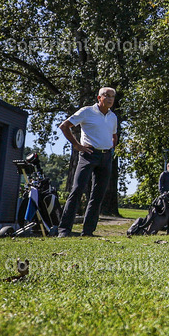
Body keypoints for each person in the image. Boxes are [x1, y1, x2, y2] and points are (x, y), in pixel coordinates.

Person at [57, 87, 119, 238]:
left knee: (97, 196)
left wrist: (111, 147)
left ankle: (88, 232)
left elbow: (114, 135)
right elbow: (64, 126)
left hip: (105, 158)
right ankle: (64, 230)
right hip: (88, 155)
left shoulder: (113, 117)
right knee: (77, 190)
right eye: (107, 96)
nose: (110, 99)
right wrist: (77, 145)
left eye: (112, 97)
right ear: (99, 97)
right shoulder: (86, 111)